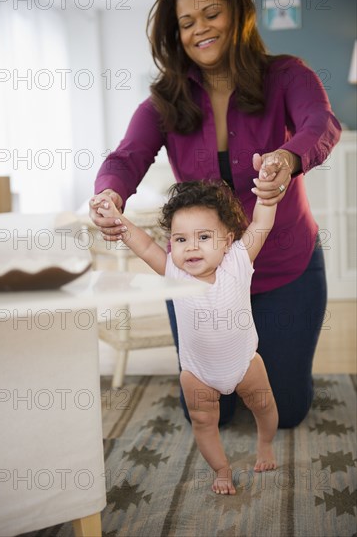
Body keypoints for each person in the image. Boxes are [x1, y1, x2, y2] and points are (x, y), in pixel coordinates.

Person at [90, 0, 341, 429]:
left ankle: (278, 371)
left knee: (286, 412)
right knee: (210, 413)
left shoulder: (287, 75)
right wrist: (110, 193)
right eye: (187, 22)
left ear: (239, 16)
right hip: (196, 280)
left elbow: (320, 123)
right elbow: (125, 158)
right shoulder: (163, 101)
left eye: (211, 14)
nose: (199, 28)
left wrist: (287, 157)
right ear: (176, 33)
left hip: (285, 267)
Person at [95, 177, 279, 495]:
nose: (190, 247)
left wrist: (267, 190)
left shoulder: (237, 261)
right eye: (180, 239)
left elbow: (262, 221)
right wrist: (117, 218)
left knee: (264, 406)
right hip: (198, 374)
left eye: (203, 237)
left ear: (227, 240)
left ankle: (265, 444)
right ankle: (221, 470)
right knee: (203, 421)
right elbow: (143, 244)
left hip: (245, 364)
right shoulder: (174, 273)